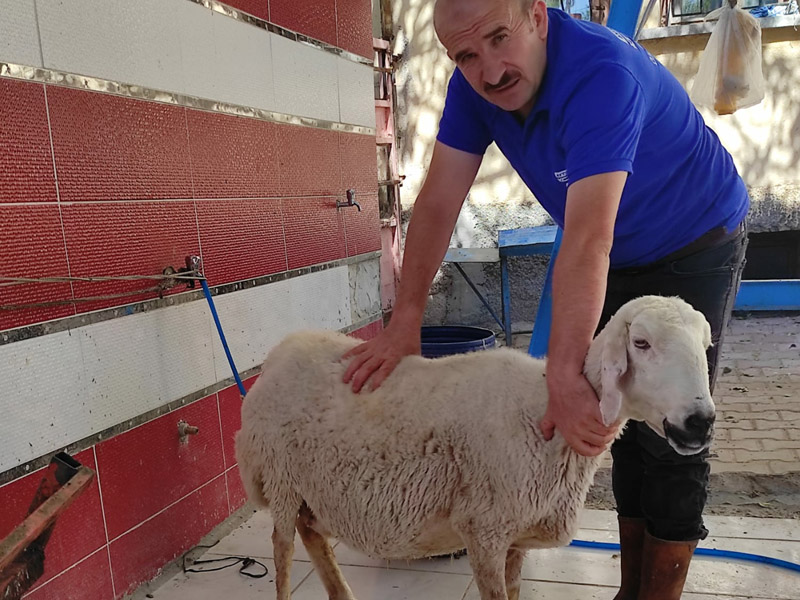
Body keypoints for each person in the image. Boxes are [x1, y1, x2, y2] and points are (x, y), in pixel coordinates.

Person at [343, 0, 749, 597]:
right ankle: (629, 590)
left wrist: (561, 371)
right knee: (611, 410)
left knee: (674, 428)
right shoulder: (474, 87)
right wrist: (405, 321)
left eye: (499, 38)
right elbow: (437, 203)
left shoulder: (600, 75)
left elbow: (586, 241)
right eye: (466, 55)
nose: (490, 71)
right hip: (611, 249)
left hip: (694, 236)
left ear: (536, 16)